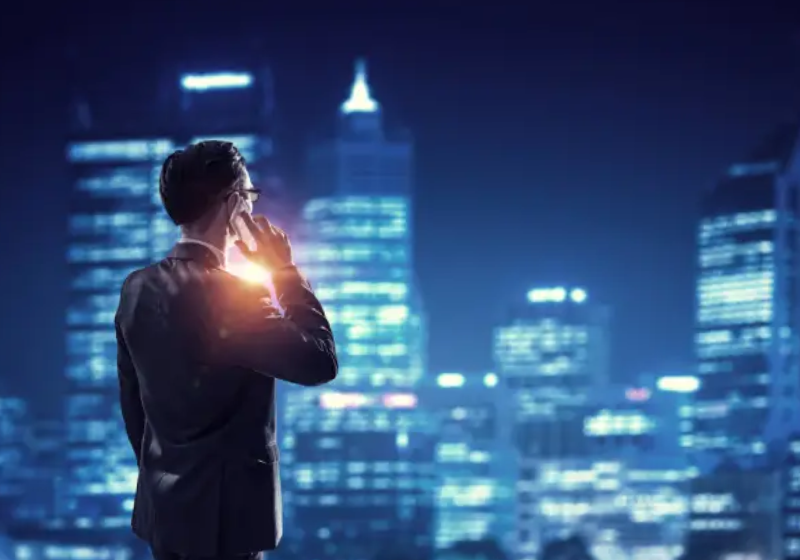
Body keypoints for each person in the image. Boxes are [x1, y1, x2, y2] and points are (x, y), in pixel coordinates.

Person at [114, 140, 338, 560]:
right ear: (233, 202)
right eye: (249, 197)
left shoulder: (135, 290)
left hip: (165, 513)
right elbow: (320, 361)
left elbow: (133, 408)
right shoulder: (229, 297)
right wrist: (284, 271)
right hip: (227, 522)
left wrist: (167, 478)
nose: (251, 208)